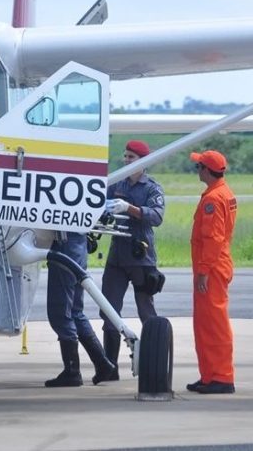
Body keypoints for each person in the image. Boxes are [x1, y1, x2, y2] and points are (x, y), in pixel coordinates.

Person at [100, 140, 165, 380]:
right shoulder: (116, 183)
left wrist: (129, 208)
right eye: (125, 156)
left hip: (142, 258)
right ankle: (109, 367)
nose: (126, 161)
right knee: (109, 311)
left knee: (146, 311)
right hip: (117, 258)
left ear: (143, 162)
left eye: (131, 157)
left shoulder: (152, 189)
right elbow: (97, 203)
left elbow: (157, 217)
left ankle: (152, 361)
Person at [187, 149, 238, 394]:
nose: (197, 170)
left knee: (214, 324)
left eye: (199, 167)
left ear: (207, 170)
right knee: (205, 323)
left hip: (212, 267)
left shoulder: (212, 200)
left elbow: (213, 238)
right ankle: (209, 375)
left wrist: (204, 272)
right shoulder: (223, 193)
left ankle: (222, 377)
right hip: (215, 265)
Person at [45, 232, 116, 387]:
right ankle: (102, 363)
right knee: (75, 313)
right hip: (78, 247)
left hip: (64, 245)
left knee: (61, 313)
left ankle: (72, 371)